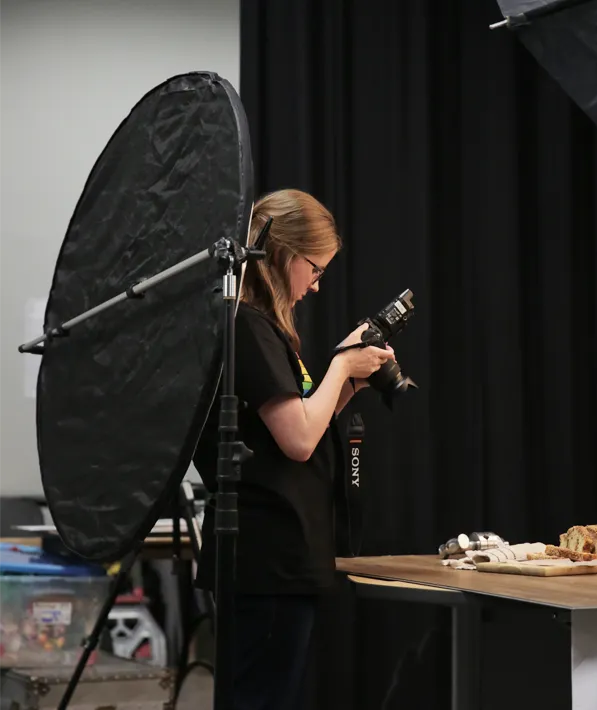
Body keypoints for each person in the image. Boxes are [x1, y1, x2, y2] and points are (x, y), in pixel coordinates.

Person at [192, 188, 395, 710]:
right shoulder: (248, 326)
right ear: (284, 255)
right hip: (268, 557)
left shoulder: (260, 329)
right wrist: (341, 368)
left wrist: (350, 382)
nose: (317, 285)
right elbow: (299, 440)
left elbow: (297, 420)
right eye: (316, 270)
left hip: (276, 557)